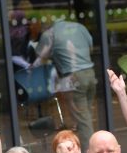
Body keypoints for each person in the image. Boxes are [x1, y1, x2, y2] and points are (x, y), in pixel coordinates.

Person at [36, 17, 98, 145]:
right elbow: (90, 48)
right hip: (90, 73)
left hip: (73, 78)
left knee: (83, 121)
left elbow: (41, 58)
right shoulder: (79, 27)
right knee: (85, 117)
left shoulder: (50, 34)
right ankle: (84, 149)